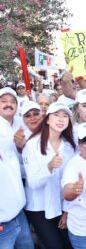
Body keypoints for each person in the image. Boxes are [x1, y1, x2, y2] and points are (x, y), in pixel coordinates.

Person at [22, 102, 76, 249]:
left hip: (61, 204)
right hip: (39, 206)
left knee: (70, 244)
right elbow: (33, 183)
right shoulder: (32, 144)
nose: (61, 119)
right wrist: (49, 167)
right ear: (47, 119)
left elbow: (70, 181)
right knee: (55, 246)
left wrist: (66, 210)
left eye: (65, 116)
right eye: (56, 115)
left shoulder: (69, 146)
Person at [0, 88, 34, 249]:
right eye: (4, 101)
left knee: (26, 242)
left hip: (21, 184)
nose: (8, 104)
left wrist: (20, 147)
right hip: (4, 198)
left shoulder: (21, 123)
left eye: (12, 101)